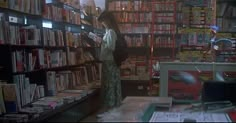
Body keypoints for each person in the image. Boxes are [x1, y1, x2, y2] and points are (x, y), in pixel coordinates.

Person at [96, 10, 122, 116]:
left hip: (109, 61)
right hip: (109, 61)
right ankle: (112, 106)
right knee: (110, 83)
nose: (102, 24)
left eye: (102, 21)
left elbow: (111, 47)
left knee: (109, 84)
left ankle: (110, 106)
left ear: (107, 20)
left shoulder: (111, 32)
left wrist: (101, 41)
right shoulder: (109, 31)